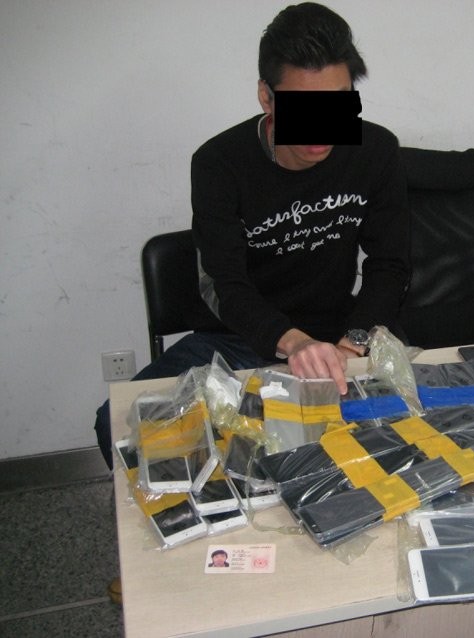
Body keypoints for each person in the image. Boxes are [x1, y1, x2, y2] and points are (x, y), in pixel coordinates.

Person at [94, 2, 410, 469]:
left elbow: (391, 264)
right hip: (238, 337)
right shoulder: (219, 164)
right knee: (117, 423)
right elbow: (225, 284)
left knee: (398, 433)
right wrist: (293, 343)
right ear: (266, 97)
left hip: (341, 332)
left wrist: (351, 343)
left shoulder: (377, 149)